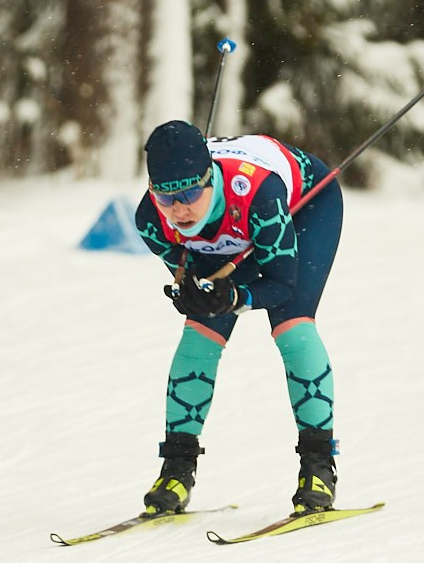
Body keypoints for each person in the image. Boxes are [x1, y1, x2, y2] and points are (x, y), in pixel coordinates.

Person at [132, 118, 344, 518]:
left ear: (208, 178)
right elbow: (191, 275)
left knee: (292, 326)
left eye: (190, 193)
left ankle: (318, 468)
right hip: (236, 226)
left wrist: (235, 296)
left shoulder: (259, 196)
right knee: (198, 337)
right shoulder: (150, 219)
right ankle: (177, 470)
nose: (178, 208)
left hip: (303, 205)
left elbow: (279, 283)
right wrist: (193, 292)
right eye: (165, 196)